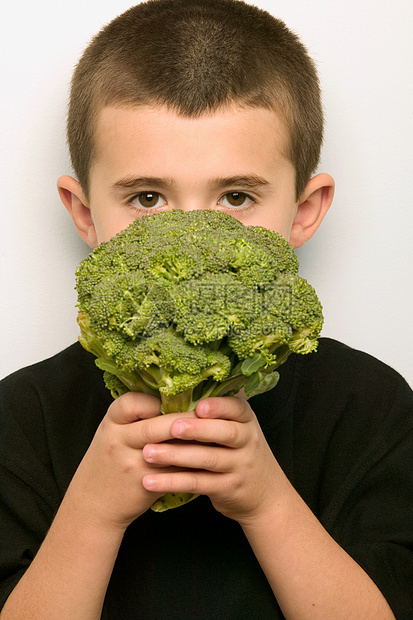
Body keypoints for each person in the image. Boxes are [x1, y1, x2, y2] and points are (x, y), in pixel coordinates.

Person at [0, 0, 412, 617]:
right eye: (146, 197)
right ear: (84, 212)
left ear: (305, 209)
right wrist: (91, 512)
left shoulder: (368, 406)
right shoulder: (22, 417)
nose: (192, 233)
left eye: (237, 196)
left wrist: (266, 502)